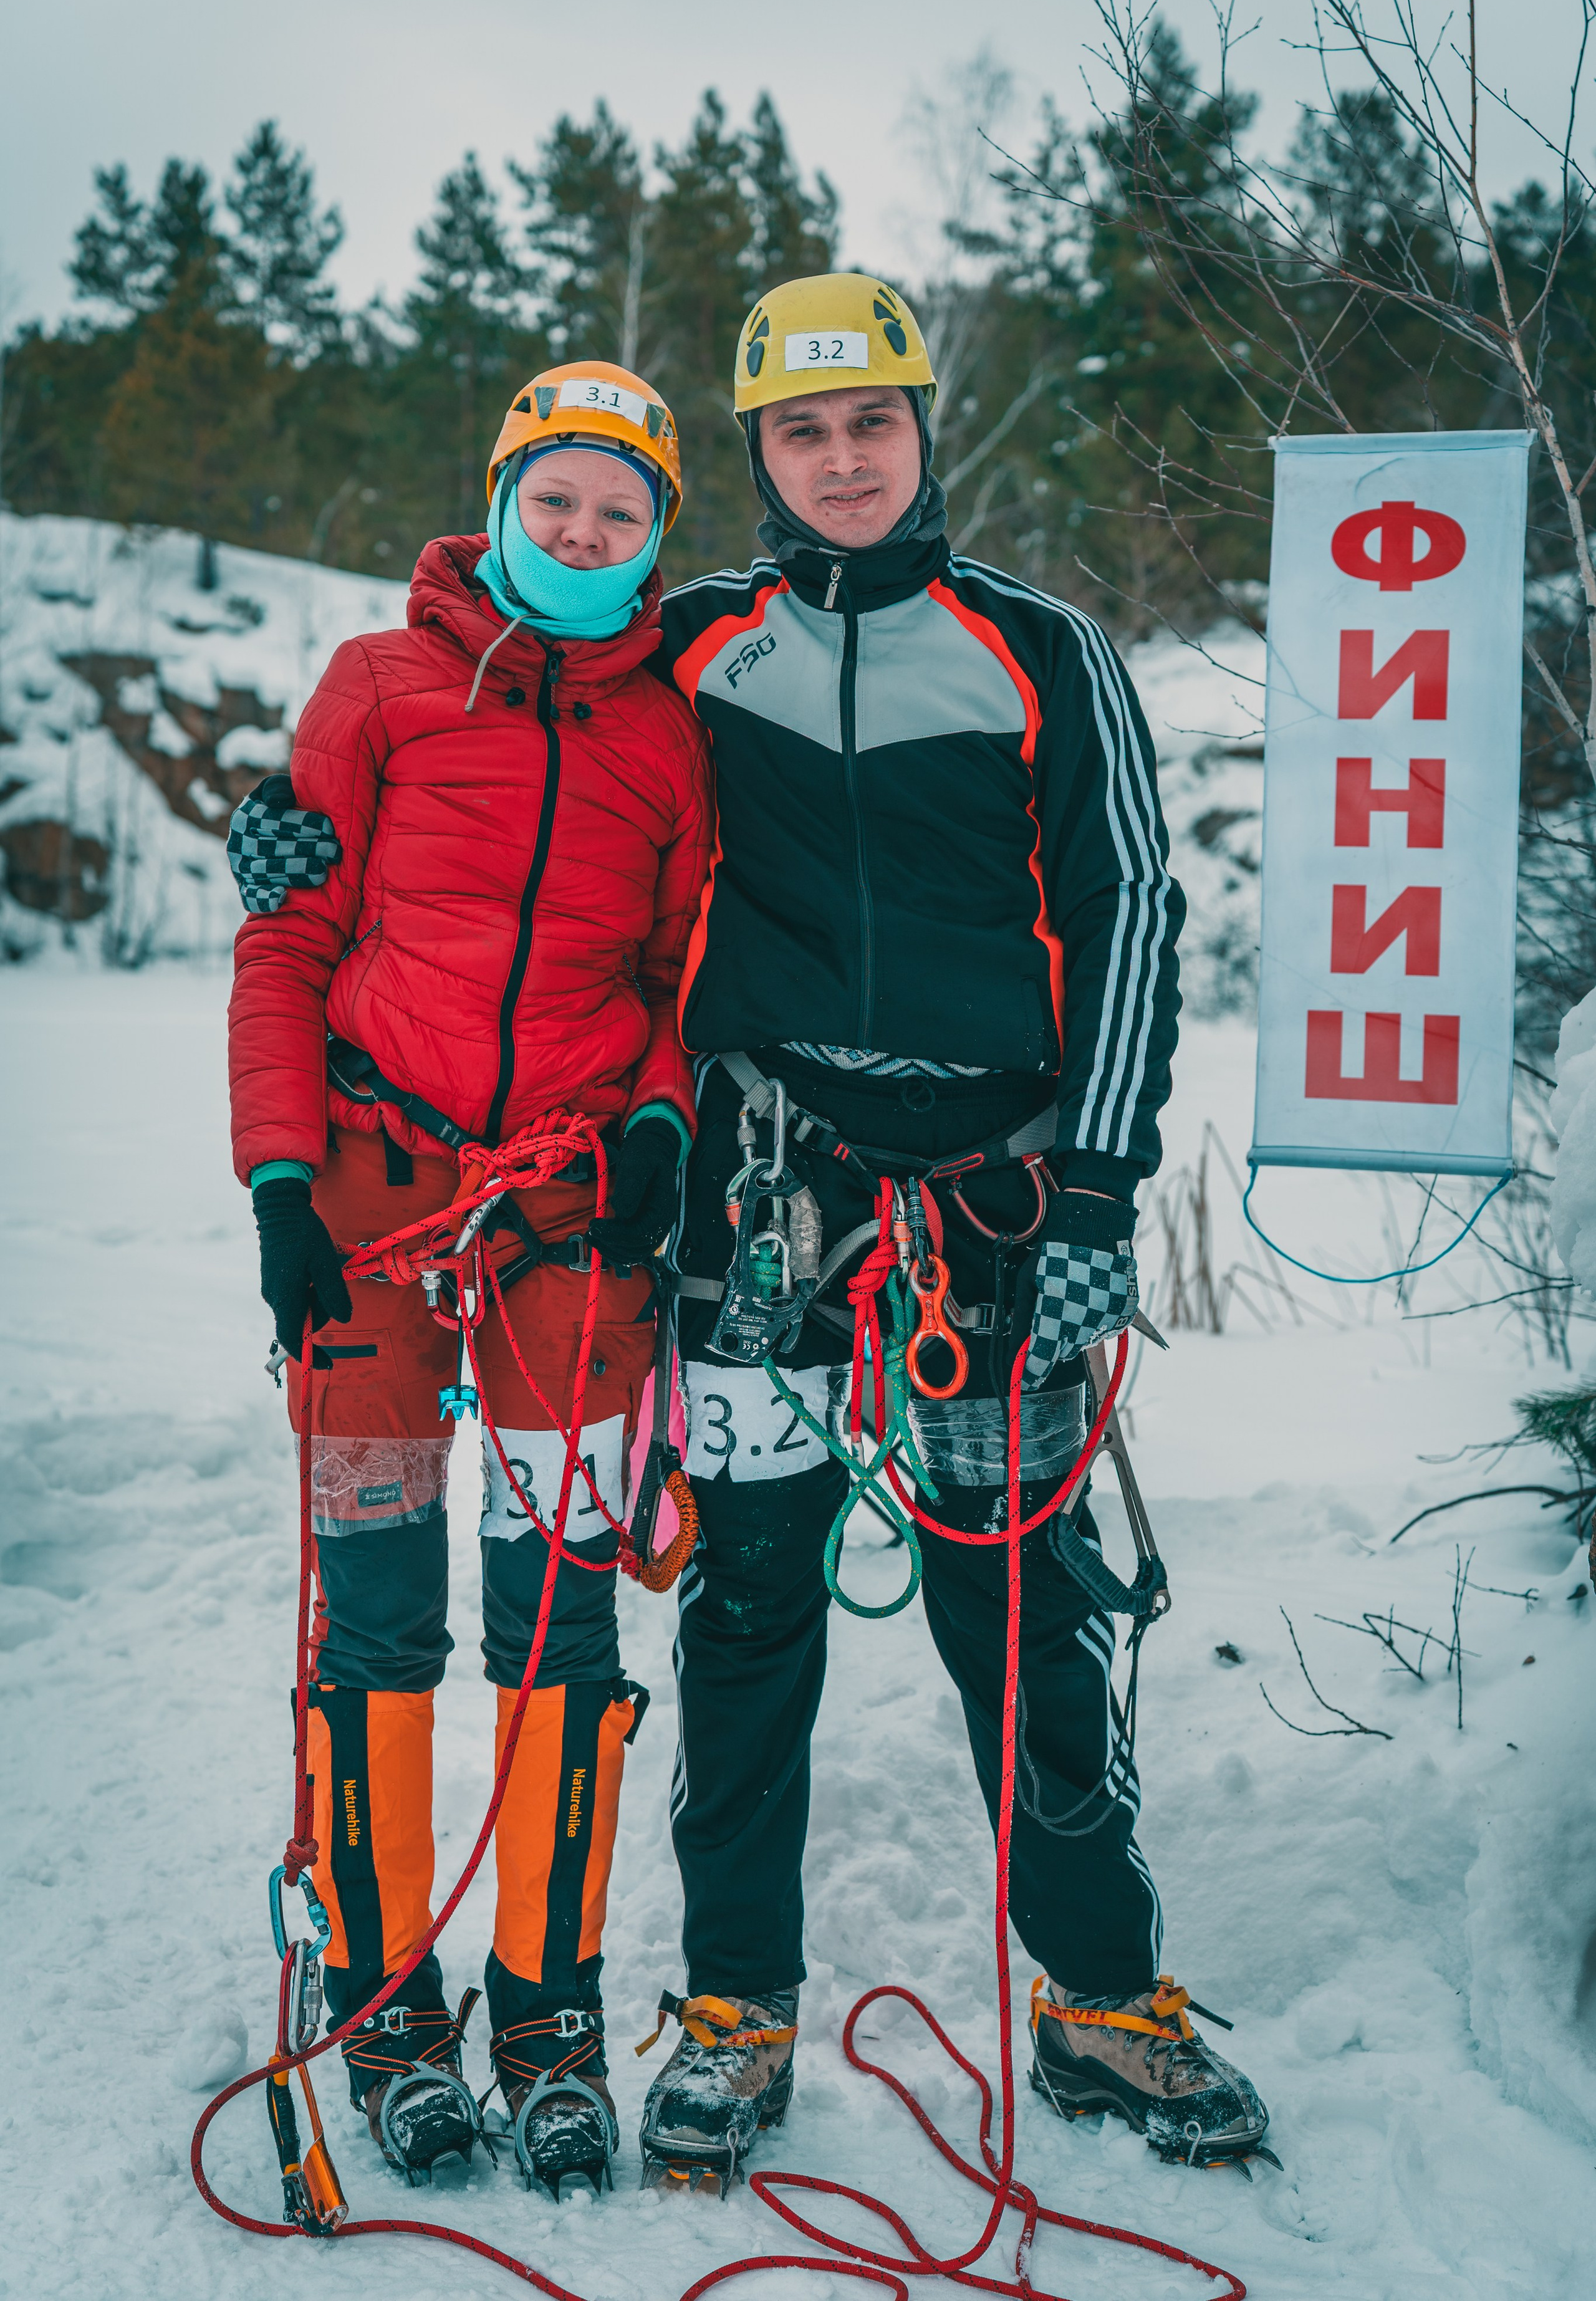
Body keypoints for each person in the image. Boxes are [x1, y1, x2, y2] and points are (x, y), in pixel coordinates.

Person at [228, 276, 1271, 2193]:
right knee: (748, 1600)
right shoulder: (689, 644)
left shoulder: (1045, 646)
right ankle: (732, 2007)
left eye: (873, 421)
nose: (844, 457)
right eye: (803, 432)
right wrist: (287, 832)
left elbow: (1131, 910)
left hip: (997, 1194)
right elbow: (512, 760)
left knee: (1027, 1602)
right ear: (758, 456)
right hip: (760, 1189)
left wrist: (1107, 1183)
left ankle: (1105, 1991)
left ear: (923, 429)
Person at [227, 363, 711, 2197]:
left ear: (657, 535)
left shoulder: (675, 732)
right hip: (365, 1211)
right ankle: (383, 2007)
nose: (583, 535)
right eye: (556, 499)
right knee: (374, 1633)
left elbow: (684, 978)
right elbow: (287, 943)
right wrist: (280, 1182)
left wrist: (659, 1125)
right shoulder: (376, 685)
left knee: (564, 1635)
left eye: (622, 511)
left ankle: (552, 2016)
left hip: (573, 1242)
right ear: (499, 501)